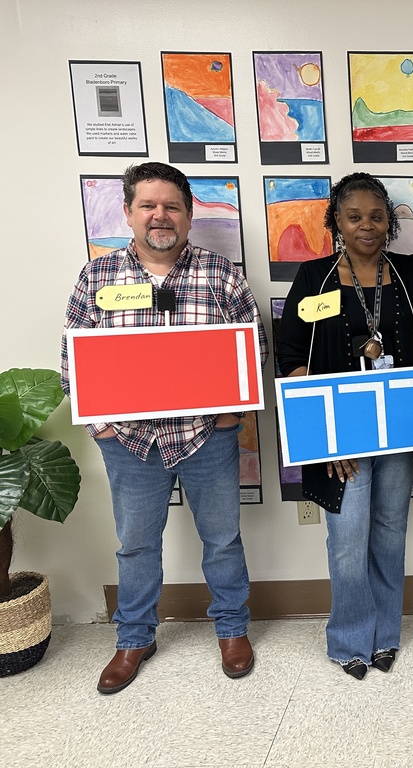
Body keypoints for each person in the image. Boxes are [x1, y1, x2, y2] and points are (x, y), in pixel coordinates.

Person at [60, 162, 268, 694]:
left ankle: (232, 628)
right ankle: (134, 638)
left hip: (206, 436)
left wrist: (232, 414)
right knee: (135, 544)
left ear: (189, 214)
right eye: (148, 205)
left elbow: (253, 348)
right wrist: (101, 425)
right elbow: (71, 359)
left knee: (222, 540)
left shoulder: (220, 275)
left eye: (171, 206)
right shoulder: (96, 277)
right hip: (129, 442)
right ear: (128, 213)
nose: (160, 216)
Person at [276, 173, 413, 680]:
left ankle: (385, 637)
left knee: (388, 533)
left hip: (401, 428)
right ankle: (349, 640)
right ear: (336, 221)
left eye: (377, 216)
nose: (367, 226)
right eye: (354, 216)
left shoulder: (410, 274)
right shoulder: (312, 278)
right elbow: (291, 355)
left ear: (389, 222)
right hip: (343, 433)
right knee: (347, 536)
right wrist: (327, 435)